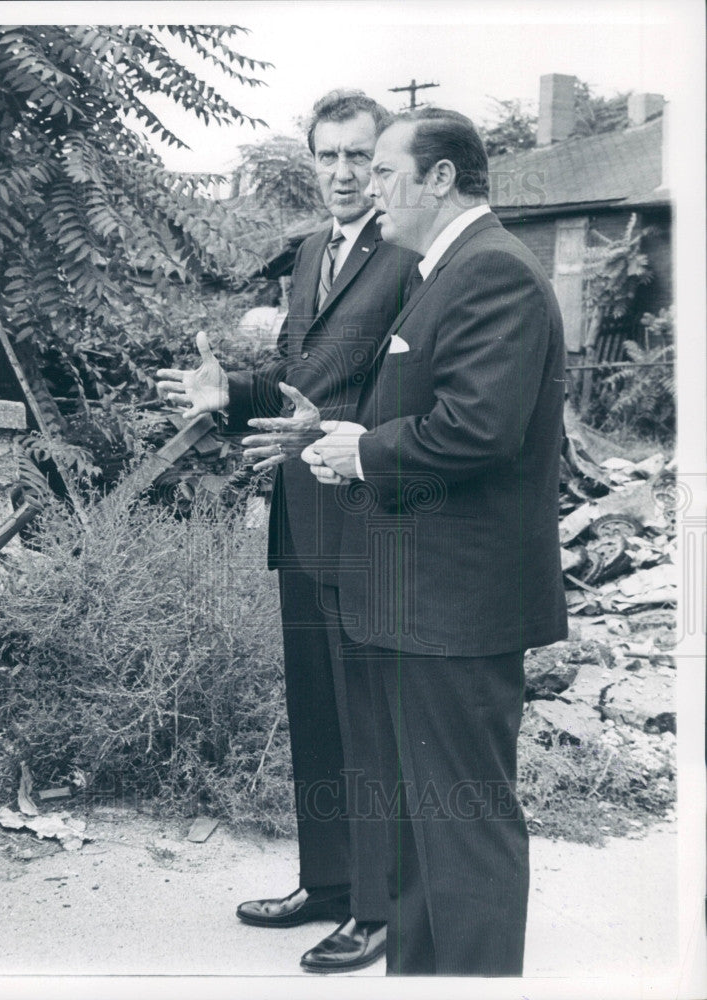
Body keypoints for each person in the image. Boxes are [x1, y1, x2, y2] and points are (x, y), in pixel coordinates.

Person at [155, 90, 420, 974]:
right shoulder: (311, 251)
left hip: (373, 517)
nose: (343, 174)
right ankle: (330, 882)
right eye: (328, 157)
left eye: (360, 158)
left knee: (371, 717)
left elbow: (377, 388)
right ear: (312, 161)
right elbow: (300, 376)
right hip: (302, 515)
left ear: (384, 163)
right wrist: (227, 390)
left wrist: (276, 402)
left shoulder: (414, 254)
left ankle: (380, 909)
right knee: (316, 710)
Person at [302, 107, 568, 975]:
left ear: (442, 178)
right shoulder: (441, 268)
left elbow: (478, 430)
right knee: (422, 830)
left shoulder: (491, 269)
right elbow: (425, 411)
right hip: (418, 598)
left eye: (383, 171)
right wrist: (348, 434)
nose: (369, 191)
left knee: (462, 827)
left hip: (455, 605)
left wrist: (363, 452)